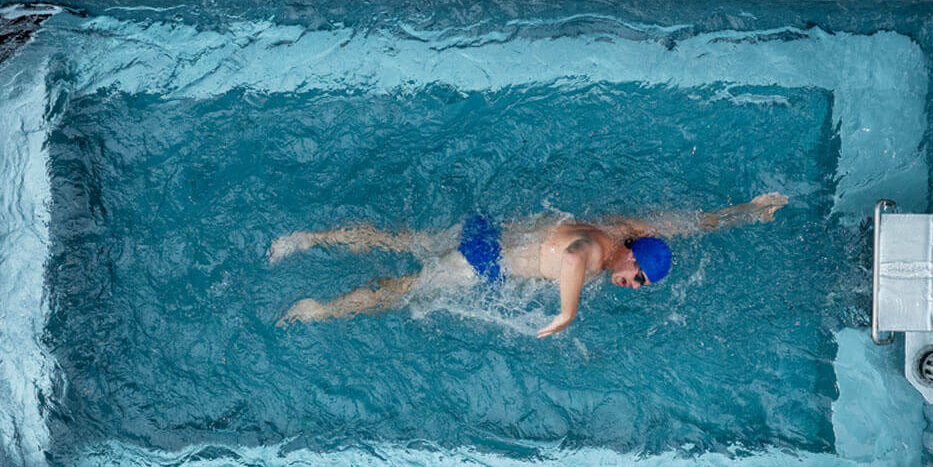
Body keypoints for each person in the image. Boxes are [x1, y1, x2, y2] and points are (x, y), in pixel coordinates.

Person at [270, 192, 788, 337]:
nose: (633, 286)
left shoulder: (626, 229)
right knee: (402, 290)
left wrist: (748, 211)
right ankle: (320, 309)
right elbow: (572, 257)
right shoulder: (596, 253)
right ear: (632, 257)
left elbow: (692, 223)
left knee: (402, 241)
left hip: (491, 232)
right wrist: (567, 312)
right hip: (483, 260)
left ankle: (310, 239)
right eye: (639, 278)